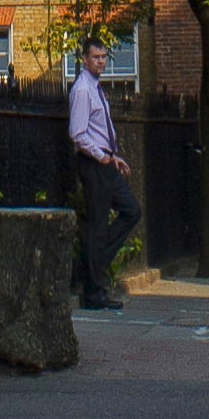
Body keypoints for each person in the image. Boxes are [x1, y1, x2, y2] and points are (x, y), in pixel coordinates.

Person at [67, 34, 143, 310]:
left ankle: (94, 263)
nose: (101, 62)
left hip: (106, 163)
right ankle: (94, 291)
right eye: (96, 57)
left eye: (103, 57)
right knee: (97, 227)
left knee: (132, 210)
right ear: (85, 60)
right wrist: (101, 157)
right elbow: (77, 133)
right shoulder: (83, 90)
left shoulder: (96, 88)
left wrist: (113, 157)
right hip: (93, 164)